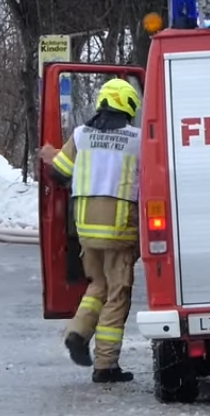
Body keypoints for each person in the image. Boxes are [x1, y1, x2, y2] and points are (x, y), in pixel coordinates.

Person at [38, 78, 142, 384]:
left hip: (86, 230)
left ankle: (78, 332)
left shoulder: (81, 136)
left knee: (98, 284)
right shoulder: (137, 140)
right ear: (129, 106)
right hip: (120, 230)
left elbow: (58, 173)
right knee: (118, 294)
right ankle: (106, 365)